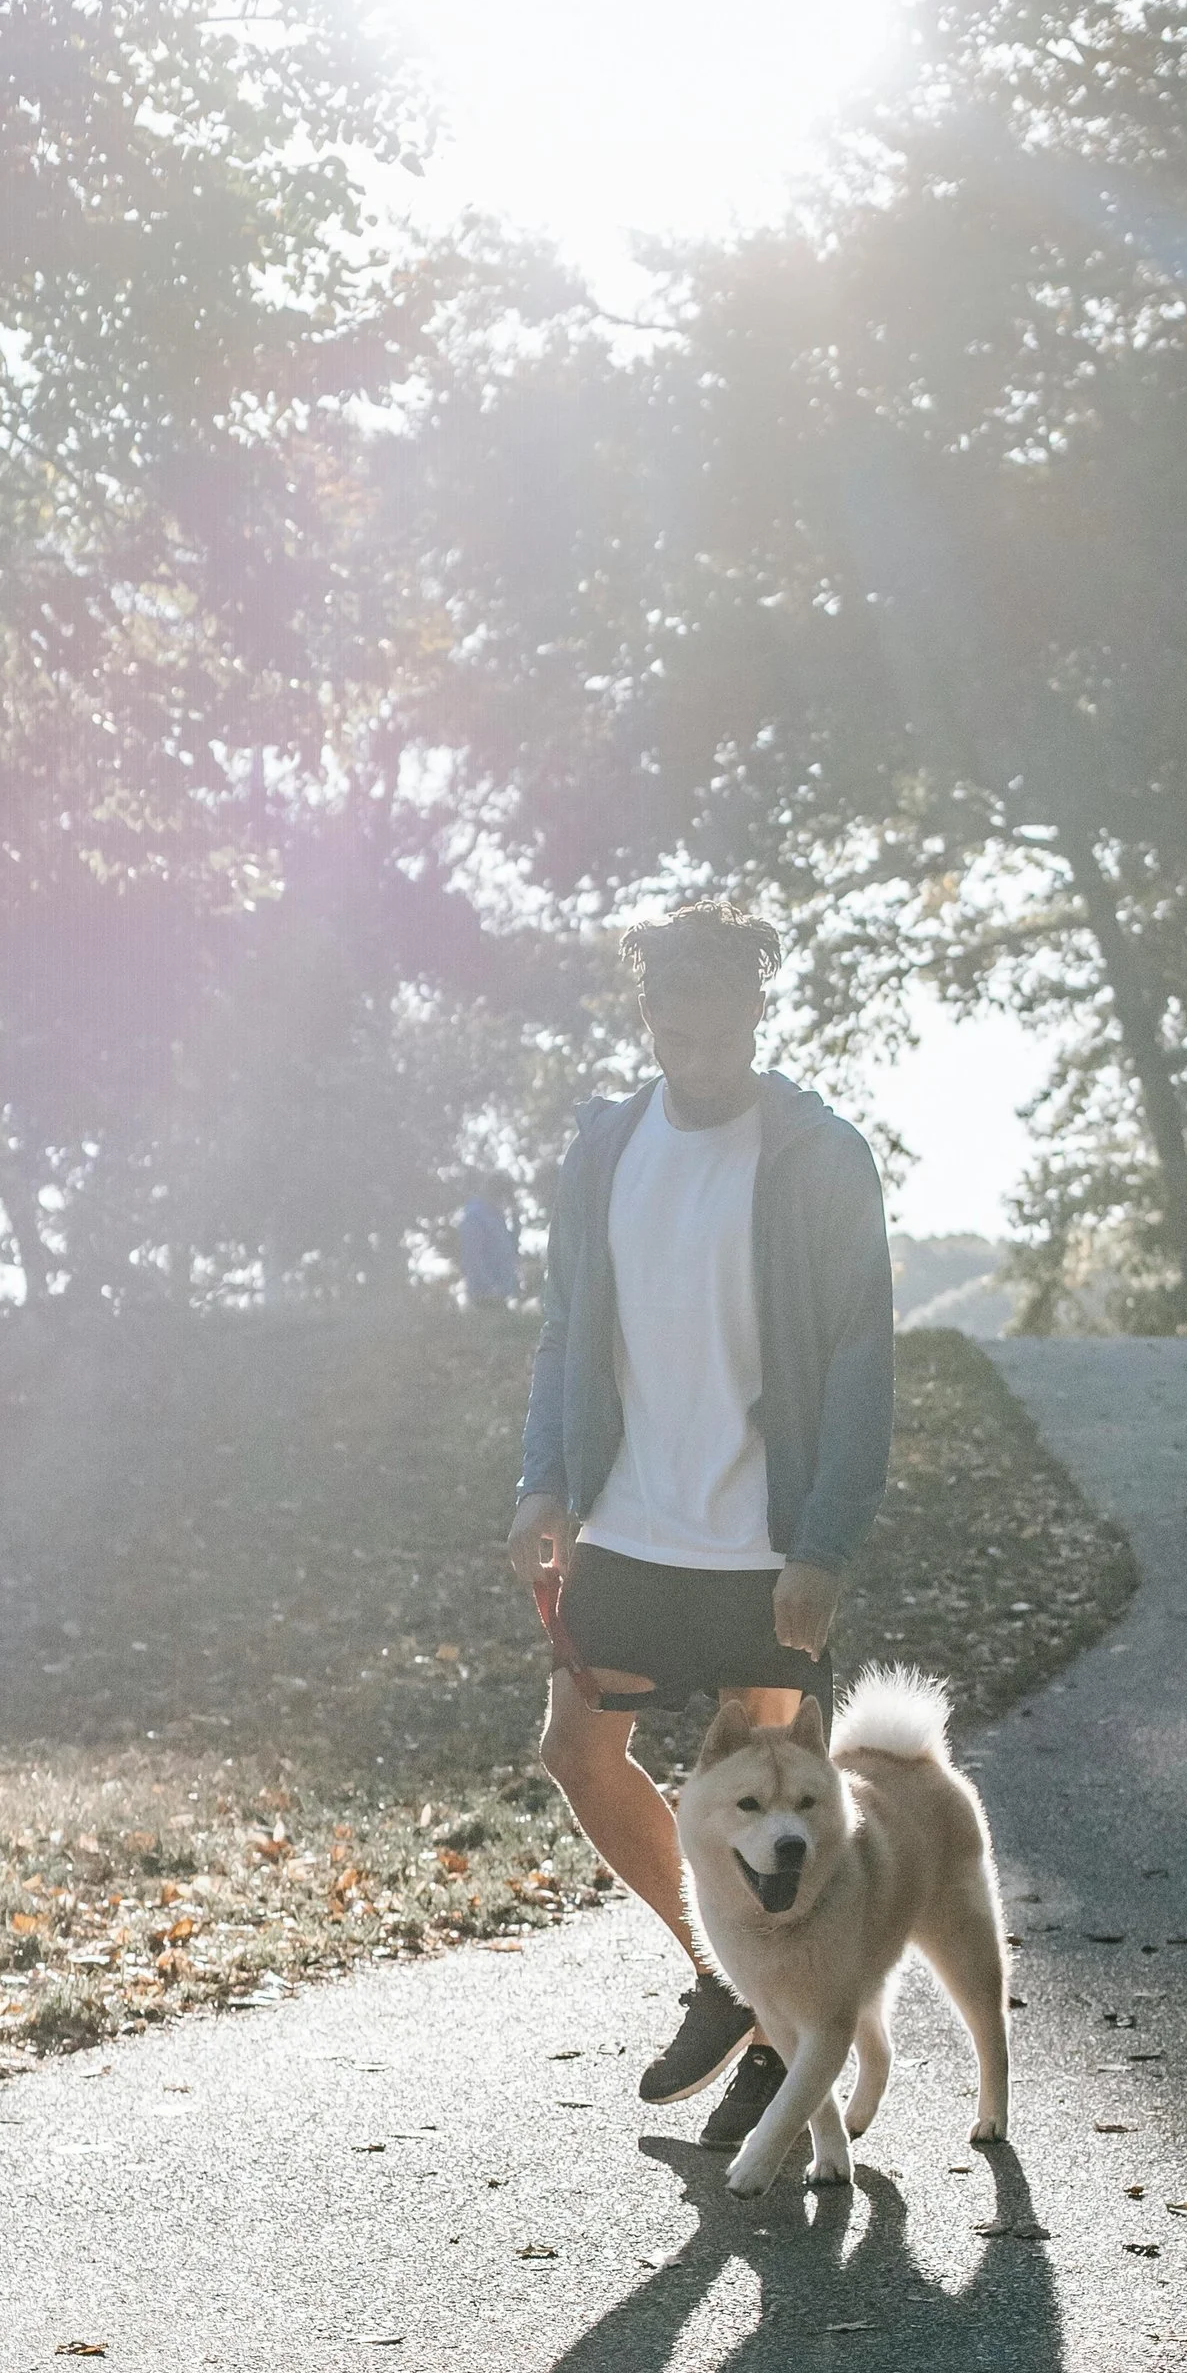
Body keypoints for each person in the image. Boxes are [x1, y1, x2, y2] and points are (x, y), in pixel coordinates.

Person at [507, 900, 894, 2146]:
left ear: (757, 1018)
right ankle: (730, 1983)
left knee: (775, 1818)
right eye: (680, 1038)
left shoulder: (819, 1156)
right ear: (649, 1022)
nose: (702, 1061)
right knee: (576, 1753)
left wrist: (825, 1545)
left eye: (724, 1037)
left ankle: (784, 2037)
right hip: (628, 1522)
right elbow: (566, 1328)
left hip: (760, 1548)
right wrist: (541, 1483)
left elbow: (859, 1361)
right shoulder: (606, 1148)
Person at [456, 1178, 519, 1310]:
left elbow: (511, 1247)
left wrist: (516, 1217)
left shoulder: (496, 1217)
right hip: (485, 1297)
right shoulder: (476, 1216)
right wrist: (489, 1287)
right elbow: (472, 1256)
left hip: (501, 1294)